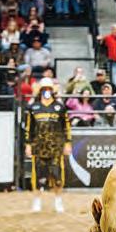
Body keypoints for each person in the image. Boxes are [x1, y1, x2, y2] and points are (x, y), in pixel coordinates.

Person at [24, 77, 72, 213]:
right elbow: (29, 128)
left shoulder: (60, 107)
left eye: (49, 89)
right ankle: (37, 201)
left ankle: (58, 201)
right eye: (44, 89)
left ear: (52, 90)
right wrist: (28, 144)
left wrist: (68, 143)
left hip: (56, 148)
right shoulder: (33, 108)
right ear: (40, 91)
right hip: (39, 148)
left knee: (57, 175)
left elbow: (66, 127)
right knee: (38, 176)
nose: (46, 91)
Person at [98, 24, 116, 92]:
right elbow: (102, 41)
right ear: (112, 30)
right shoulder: (108, 38)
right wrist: (100, 39)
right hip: (114, 64)